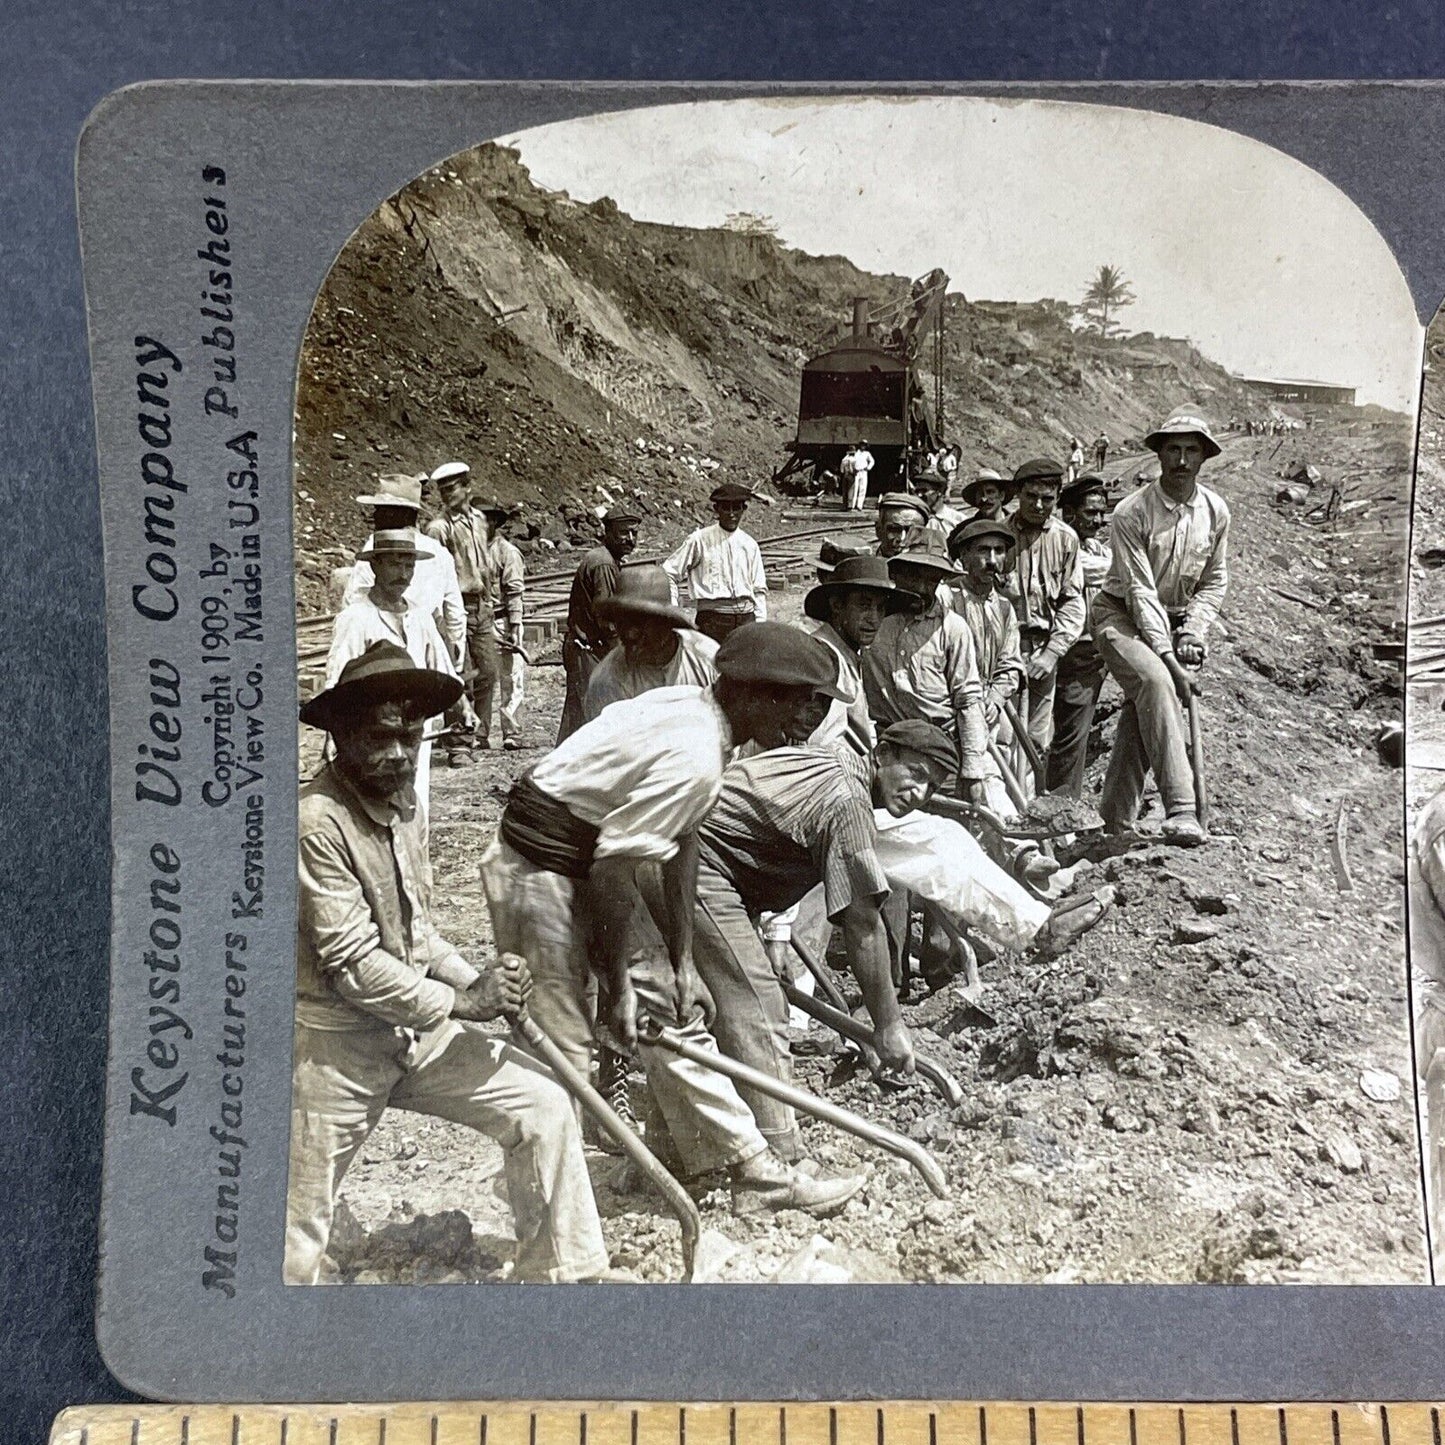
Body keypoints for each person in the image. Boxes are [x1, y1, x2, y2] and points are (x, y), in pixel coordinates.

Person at [285, 641, 609, 1285]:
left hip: (413, 1032)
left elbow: (417, 931)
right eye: (380, 739)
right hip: (334, 1046)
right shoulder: (316, 823)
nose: (400, 754)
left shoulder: (402, 804)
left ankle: (561, 1278)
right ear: (341, 737)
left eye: (410, 737)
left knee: (541, 1105)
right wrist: (463, 1002)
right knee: (291, 1231)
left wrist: (476, 977)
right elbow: (353, 964)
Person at [478, 621, 849, 1086]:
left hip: (586, 853)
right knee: (561, 1043)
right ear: (756, 696)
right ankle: (556, 1146)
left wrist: (683, 961)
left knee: (668, 998)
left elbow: (682, 845)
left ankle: (732, 1153)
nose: (807, 719)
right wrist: (618, 984)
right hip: (535, 864)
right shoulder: (695, 753)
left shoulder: (701, 717)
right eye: (797, 703)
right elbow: (613, 872)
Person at [692, 721, 952, 1160]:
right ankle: (782, 1160)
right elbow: (862, 924)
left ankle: (685, 1150)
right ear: (884, 753)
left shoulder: (831, 759)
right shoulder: (848, 800)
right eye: (917, 773)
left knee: (702, 1016)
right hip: (699, 867)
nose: (920, 794)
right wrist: (887, 1027)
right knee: (761, 1009)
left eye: (933, 786)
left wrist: (769, 932)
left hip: (689, 857)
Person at [1090, 409, 1230, 846]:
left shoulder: (1215, 511)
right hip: (1119, 616)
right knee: (1155, 681)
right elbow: (1140, 592)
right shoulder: (1132, 512)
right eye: (1174, 449)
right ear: (1160, 454)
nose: (1183, 460)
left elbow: (1215, 579)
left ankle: (1113, 821)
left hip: (1171, 623)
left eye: (1192, 450)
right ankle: (1183, 808)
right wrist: (1169, 658)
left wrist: (1192, 632)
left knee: (1142, 713)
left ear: (1205, 457)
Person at [325, 530, 457, 822]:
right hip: (373, 730)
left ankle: (411, 854)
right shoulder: (356, 619)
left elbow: (442, 665)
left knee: (414, 800)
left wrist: (464, 709)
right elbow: (336, 677)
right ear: (375, 566)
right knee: (372, 801)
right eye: (395, 565)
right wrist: (332, 732)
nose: (404, 574)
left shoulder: (420, 617)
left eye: (409, 565)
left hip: (412, 729)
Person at [862, 529, 988, 795]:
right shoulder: (874, 622)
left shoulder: (953, 629)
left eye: (930, 580)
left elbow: (968, 699)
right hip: (888, 746)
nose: (920, 588)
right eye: (912, 575)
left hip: (939, 746)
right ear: (896, 574)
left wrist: (974, 769)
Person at [999, 458, 1085, 778]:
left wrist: (1051, 653)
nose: (1038, 505)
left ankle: (1028, 804)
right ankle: (1001, 809)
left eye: (1047, 499)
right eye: (1030, 496)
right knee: (1002, 734)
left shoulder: (1066, 539)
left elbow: (1072, 601)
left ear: (1057, 498)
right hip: (1001, 648)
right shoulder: (999, 535)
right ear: (1018, 494)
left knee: (1035, 736)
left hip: (1042, 648)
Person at [342, 472, 465, 667]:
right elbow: (455, 614)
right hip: (428, 657)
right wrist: (454, 662)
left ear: (395, 513)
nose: (374, 516)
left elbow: (352, 602)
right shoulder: (440, 554)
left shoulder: (375, 550)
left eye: (380, 510)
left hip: (382, 661)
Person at [424, 461, 501, 763]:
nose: (446, 495)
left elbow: (484, 566)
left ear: (467, 487)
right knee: (460, 675)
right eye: (442, 490)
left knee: (489, 672)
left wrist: (490, 602)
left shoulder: (479, 520)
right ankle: (458, 744)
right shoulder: (438, 528)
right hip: (454, 608)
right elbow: (431, 576)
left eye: (452, 488)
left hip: (481, 606)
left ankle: (477, 733)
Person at [1047, 474, 1113, 797]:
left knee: (1076, 734)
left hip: (1090, 654)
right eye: (1091, 513)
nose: (1099, 521)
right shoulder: (1063, 544)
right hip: (1065, 649)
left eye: (1103, 513)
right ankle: (1057, 802)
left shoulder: (1097, 547)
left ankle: (1064, 802)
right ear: (1069, 513)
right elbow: (1109, 571)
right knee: (1063, 737)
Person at [584, 565, 719, 721]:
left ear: (666, 623)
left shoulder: (707, 660)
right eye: (622, 623)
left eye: (639, 623)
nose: (630, 633)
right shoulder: (607, 681)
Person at [802, 553, 903, 755]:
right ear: (837, 605)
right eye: (864, 606)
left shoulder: (847, 651)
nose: (874, 619)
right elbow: (823, 746)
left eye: (881, 608)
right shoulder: (827, 658)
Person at [557, 506, 640, 744]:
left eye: (634, 533)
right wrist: (621, 655)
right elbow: (607, 617)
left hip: (584, 647)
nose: (630, 540)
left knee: (578, 716)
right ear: (608, 532)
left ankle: (565, 767)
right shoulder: (603, 564)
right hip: (589, 650)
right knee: (594, 716)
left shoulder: (604, 559)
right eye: (624, 533)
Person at [662, 481, 768, 644]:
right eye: (726, 507)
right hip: (713, 621)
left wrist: (760, 624)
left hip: (746, 619)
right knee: (710, 666)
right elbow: (668, 572)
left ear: (744, 509)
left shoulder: (750, 544)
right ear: (717, 509)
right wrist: (674, 609)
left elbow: (759, 589)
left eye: (736, 508)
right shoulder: (700, 540)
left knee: (743, 668)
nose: (731, 514)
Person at [478, 498, 527, 751]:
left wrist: (516, 627)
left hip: (502, 622)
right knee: (480, 680)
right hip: (475, 623)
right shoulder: (467, 552)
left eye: (483, 519)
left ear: (494, 523)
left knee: (511, 679)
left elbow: (515, 592)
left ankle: (512, 732)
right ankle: (478, 733)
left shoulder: (506, 552)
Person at [871, 491, 932, 559]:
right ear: (878, 529)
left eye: (913, 532)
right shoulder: (865, 565)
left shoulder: (933, 567)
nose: (902, 538)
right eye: (894, 529)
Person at [915, 469, 967, 541]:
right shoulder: (914, 520)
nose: (919, 495)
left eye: (924, 491)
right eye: (917, 491)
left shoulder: (958, 520)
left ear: (939, 492)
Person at [844, 438, 875, 511]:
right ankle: (852, 505)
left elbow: (872, 461)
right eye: (862, 445)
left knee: (863, 488)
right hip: (856, 472)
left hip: (863, 472)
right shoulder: (856, 453)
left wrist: (868, 468)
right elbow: (848, 459)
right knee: (855, 488)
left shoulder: (867, 453)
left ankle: (859, 505)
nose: (863, 446)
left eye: (864, 445)